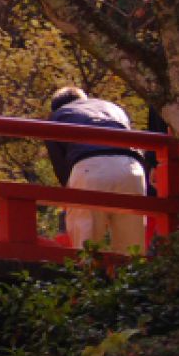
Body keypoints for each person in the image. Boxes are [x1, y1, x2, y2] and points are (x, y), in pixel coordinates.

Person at [46, 86, 149, 253]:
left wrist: (68, 192)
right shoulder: (113, 108)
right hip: (131, 167)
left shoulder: (58, 116)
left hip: (89, 167)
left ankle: (89, 276)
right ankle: (135, 277)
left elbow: (61, 166)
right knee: (132, 248)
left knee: (88, 244)